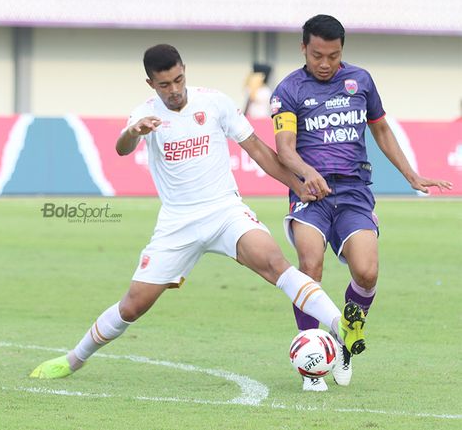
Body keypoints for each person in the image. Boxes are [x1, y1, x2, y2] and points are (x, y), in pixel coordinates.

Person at [30, 44, 367, 384]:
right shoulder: (143, 114)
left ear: (184, 70)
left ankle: (342, 327)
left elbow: (262, 154)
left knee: (276, 265)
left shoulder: (215, 102)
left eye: (179, 80)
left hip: (225, 211)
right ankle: (73, 360)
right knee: (133, 305)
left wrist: (299, 183)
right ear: (151, 84)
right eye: (165, 85)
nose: (174, 90)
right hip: (178, 223)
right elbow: (122, 147)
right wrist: (134, 131)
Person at [272, 14, 453, 391]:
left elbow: (381, 129)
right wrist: (307, 173)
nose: (325, 64)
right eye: (318, 55)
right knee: (310, 264)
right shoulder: (288, 90)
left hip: (354, 192)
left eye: (333, 56)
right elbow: (284, 149)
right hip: (311, 195)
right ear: (303, 48)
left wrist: (411, 175)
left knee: (367, 273)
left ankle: (343, 344)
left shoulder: (361, 81)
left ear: (342, 51)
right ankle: (311, 360)